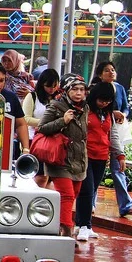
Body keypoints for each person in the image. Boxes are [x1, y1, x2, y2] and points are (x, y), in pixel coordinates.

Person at [37, 73, 89, 239]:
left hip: (79, 159)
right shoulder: (56, 106)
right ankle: (67, 233)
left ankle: (59, 225)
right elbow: (42, 127)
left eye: (82, 89)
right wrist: (63, 121)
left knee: (73, 195)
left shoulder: (85, 108)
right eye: (75, 89)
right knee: (66, 196)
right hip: (60, 159)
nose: (79, 93)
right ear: (67, 90)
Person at [93, 60, 132, 217]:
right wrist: (113, 113)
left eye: (113, 70)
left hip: (116, 131)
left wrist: (122, 114)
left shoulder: (119, 88)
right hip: (99, 135)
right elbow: (96, 109)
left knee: (119, 168)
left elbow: (125, 107)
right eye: (106, 70)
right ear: (100, 74)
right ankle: (90, 204)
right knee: (95, 170)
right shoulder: (94, 90)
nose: (111, 72)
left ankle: (126, 204)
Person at [74, 82, 116, 242]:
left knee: (92, 189)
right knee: (87, 189)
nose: (104, 103)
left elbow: (112, 135)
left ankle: (81, 223)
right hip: (85, 155)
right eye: (101, 100)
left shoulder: (108, 114)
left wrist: (118, 155)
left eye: (108, 101)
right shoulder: (84, 110)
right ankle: (86, 225)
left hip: (102, 155)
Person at [0, 60, 30, 160]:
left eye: (2, 80)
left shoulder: (11, 97)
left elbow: (21, 124)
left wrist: (26, 149)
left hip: (6, 149)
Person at [22, 68, 60, 188]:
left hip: (53, 142)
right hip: (34, 141)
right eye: (48, 86)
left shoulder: (59, 99)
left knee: (50, 178)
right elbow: (26, 119)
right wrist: (46, 124)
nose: (52, 89)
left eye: (55, 86)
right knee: (39, 175)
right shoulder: (32, 97)